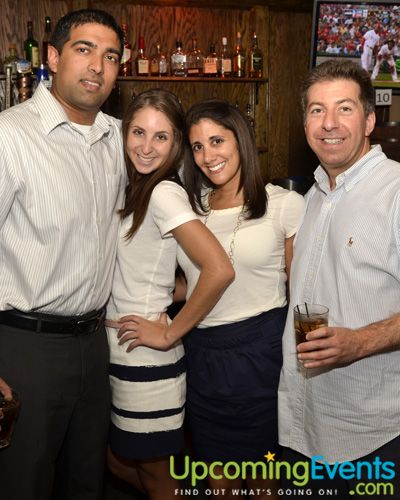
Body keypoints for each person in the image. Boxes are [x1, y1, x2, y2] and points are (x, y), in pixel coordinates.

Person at [118, 99, 305, 499]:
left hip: (260, 358)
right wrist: (151, 309)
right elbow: (192, 282)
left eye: (217, 141)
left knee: (262, 479)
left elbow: (302, 290)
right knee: (218, 481)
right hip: (202, 354)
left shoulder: (284, 205)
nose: (207, 156)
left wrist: (168, 334)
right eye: (198, 147)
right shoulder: (194, 206)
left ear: (242, 140)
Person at [0, 9, 126, 500]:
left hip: (96, 345)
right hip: (24, 347)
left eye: (110, 56)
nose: (97, 65)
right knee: (22, 484)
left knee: (86, 482)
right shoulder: (11, 135)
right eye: (83, 49)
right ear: (52, 57)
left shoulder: (120, 138)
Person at [278, 59, 400, 499]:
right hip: (305, 423)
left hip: (373, 436)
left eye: (344, 109)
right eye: (316, 110)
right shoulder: (312, 197)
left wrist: (360, 342)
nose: (329, 123)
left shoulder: (395, 192)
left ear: (369, 119)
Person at [105, 89, 234, 500]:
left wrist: (167, 332)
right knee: (117, 461)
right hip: (122, 350)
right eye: (138, 132)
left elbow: (218, 269)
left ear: (176, 142)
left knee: (156, 476)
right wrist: (161, 295)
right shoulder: (137, 187)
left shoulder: (163, 193)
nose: (146, 146)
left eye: (161, 137)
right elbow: (179, 274)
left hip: (147, 356)